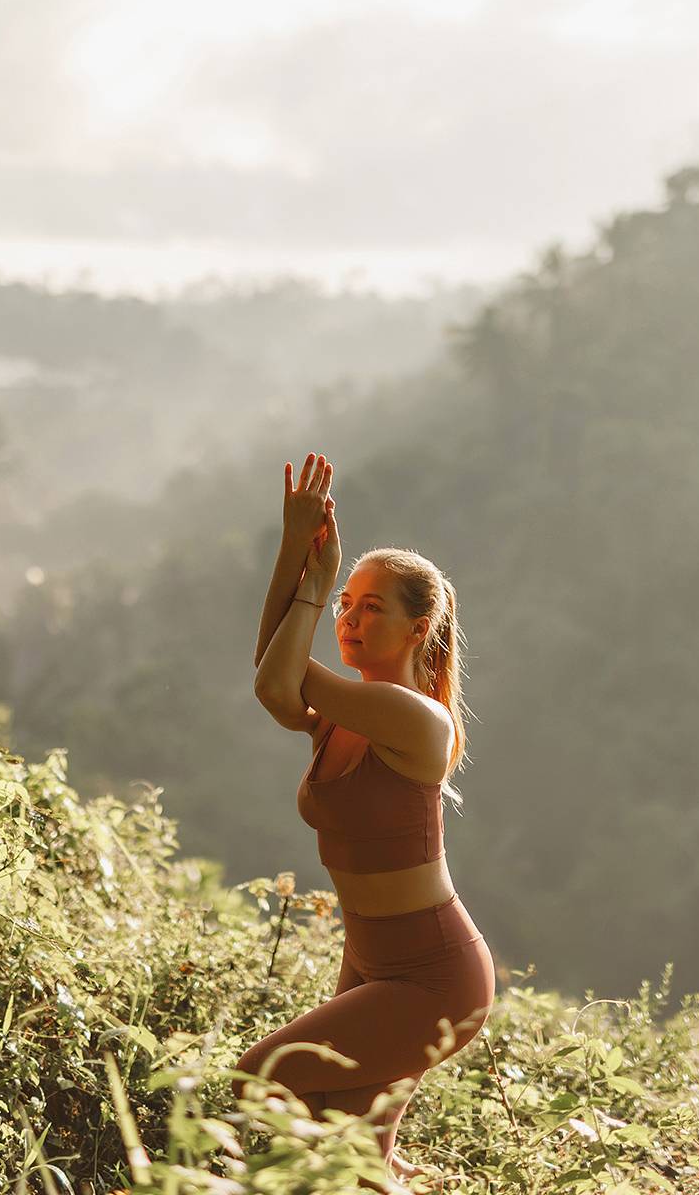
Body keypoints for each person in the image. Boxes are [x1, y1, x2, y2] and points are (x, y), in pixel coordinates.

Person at [236, 451, 496, 1192]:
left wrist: (312, 586)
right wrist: (297, 547)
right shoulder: (341, 717)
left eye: (369, 607)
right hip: (373, 962)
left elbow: (275, 675)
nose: (346, 620)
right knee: (345, 1157)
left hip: (434, 977)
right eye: (344, 603)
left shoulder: (413, 719)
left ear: (420, 630)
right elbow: (274, 674)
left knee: (262, 1079)